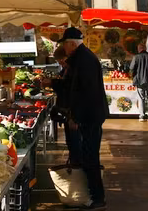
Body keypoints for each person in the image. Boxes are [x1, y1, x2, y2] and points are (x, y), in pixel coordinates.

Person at [60, 26, 108, 210]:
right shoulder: (82, 57)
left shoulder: (84, 60)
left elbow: (85, 92)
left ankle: (98, 198)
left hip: (90, 115)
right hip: (91, 113)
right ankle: (94, 195)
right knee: (88, 155)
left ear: (72, 44)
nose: (65, 48)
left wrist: (75, 116)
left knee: (90, 157)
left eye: (65, 44)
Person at [45, 45, 82, 167]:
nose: (60, 63)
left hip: (72, 111)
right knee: (71, 141)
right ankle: (74, 162)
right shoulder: (67, 69)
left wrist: (52, 83)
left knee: (74, 141)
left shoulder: (73, 70)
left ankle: (76, 166)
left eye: (61, 60)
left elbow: (69, 89)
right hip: (68, 111)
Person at [130, 43, 148, 122]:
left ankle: (142, 116)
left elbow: (132, 69)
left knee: (141, 99)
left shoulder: (136, 57)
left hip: (139, 81)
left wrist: (132, 78)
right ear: (145, 48)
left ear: (139, 49)